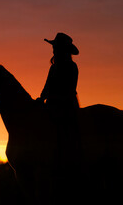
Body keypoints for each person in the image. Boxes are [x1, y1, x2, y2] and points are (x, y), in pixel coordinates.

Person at [37, 32, 81, 202]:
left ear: (62, 49)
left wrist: (51, 99)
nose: (53, 49)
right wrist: (41, 99)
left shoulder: (72, 67)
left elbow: (69, 90)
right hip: (52, 104)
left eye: (55, 47)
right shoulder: (53, 67)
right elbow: (47, 86)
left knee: (65, 132)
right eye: (53, 46)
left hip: (66, 105)